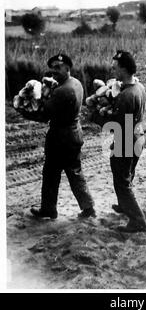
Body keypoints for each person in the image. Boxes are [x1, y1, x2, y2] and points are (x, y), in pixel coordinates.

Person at [29, 53, 96, 219]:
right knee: (75, 172)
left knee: (51, 173)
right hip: (74, 134)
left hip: (60, 138)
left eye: (58, 68)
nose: (54, 71)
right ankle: (88, 208)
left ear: (68, 68)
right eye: (52, 68)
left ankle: (48, 209)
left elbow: (44, 115)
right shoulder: (76, 83)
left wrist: (29, 107)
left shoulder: (62, 90)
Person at [91, 50, 146, 233]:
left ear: (124, 69)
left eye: (115, 67)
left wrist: (95, 117)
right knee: (128, 174)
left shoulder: (125, 95)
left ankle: (138, 221)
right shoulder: (139, 88)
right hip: (138, 137)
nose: (113, 70)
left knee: (121, 182)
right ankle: (125, 205)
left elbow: (115, 125)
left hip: (125, 141)